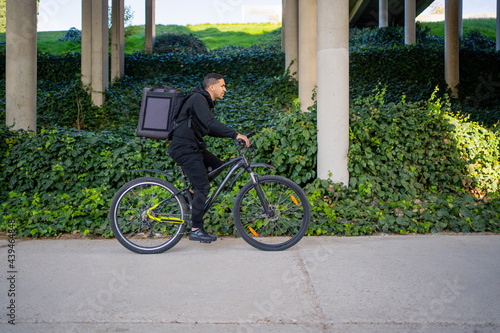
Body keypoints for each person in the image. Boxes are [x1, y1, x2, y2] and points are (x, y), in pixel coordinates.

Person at [167, 73, 250, 243]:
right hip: (184, 148)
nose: (225, 89)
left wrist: (233, 136)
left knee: (217, 165)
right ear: (212, 87)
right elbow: (210, 123)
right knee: (203, 187)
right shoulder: (198, 98)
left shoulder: (205, 101)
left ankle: (192, 193)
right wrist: (235, 135)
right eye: (223, 86)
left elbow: (208, 129)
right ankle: (196, 229)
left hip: (193, 146)